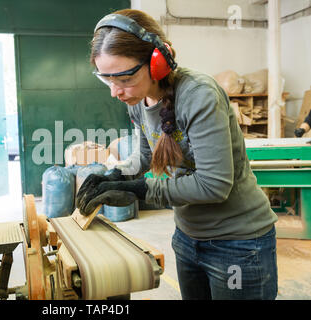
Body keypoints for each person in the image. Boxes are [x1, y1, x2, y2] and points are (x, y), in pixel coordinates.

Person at [76, 9, 278, 300]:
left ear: (157, 62)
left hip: (238, 245)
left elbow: (214, 185)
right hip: (187, 238)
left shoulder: (199, 95)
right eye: (107, 79)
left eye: (123, 78)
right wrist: (115, 174)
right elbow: (145, 156)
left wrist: (140, 190)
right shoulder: (136, 98)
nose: (115, 91)